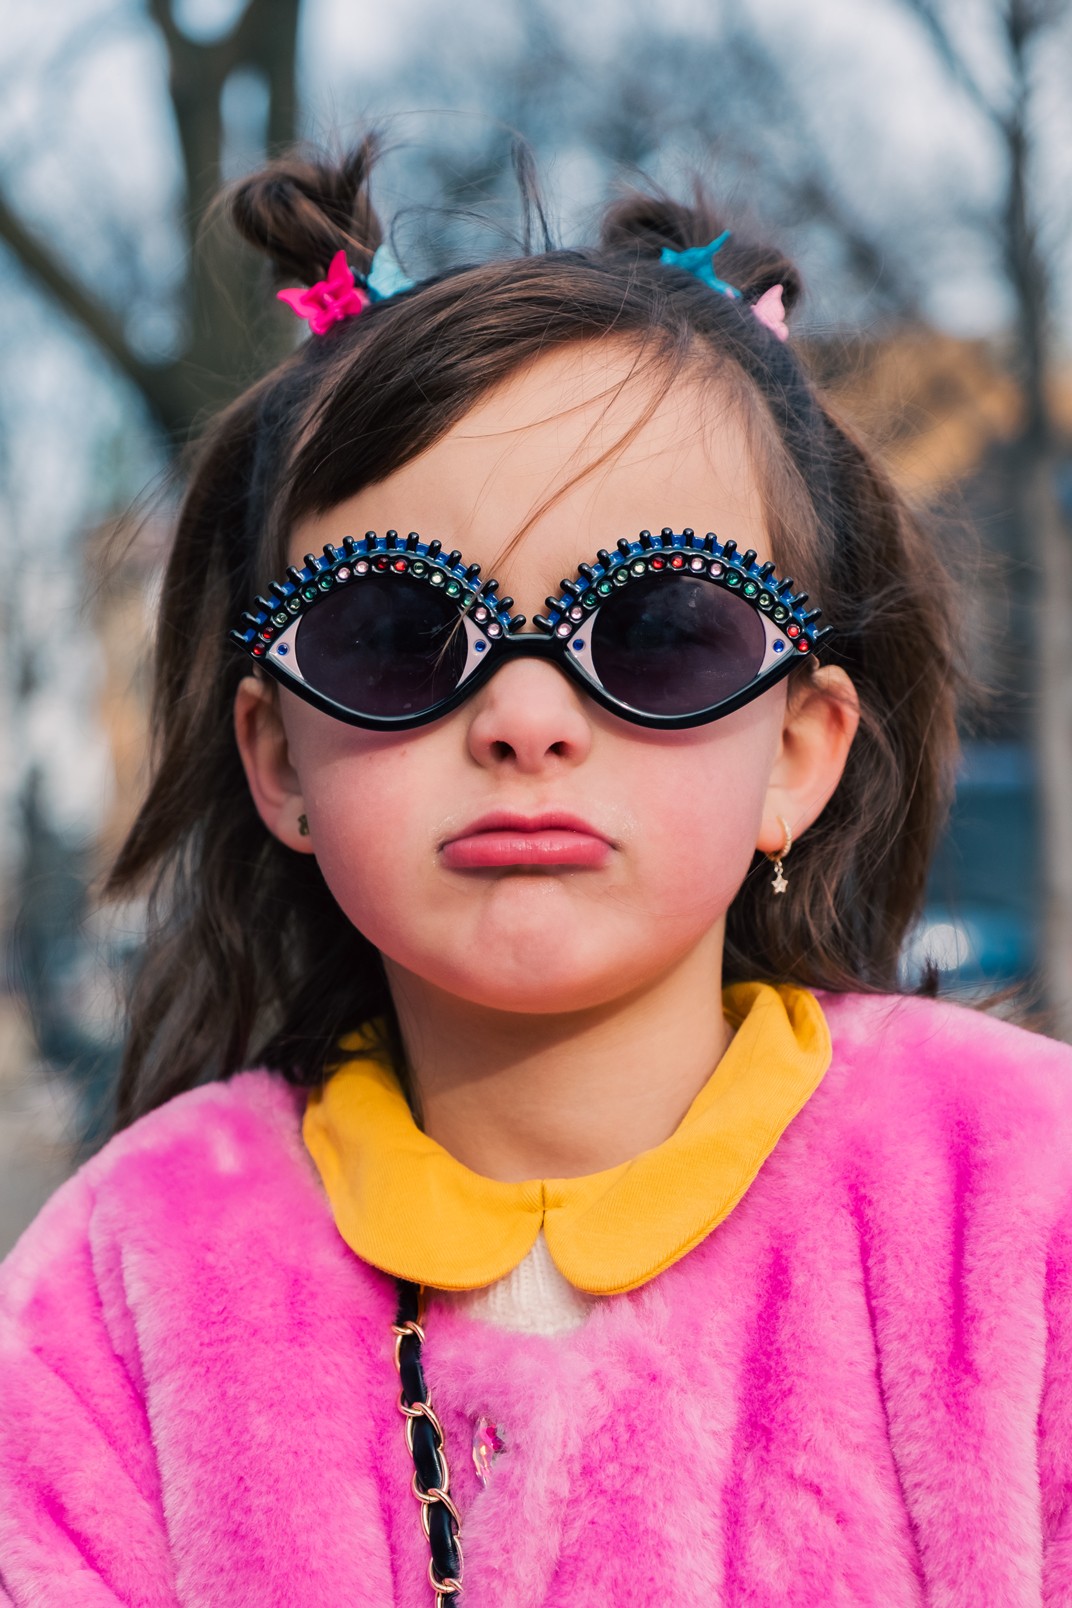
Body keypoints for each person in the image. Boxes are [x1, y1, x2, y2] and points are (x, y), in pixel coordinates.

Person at [2, 138, 1071, 1608]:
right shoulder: (120, 1295)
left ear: (801, 751)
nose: (522, 719)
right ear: (277, 759)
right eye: (390, 635)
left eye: (660, 628)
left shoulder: (1016, 1197)